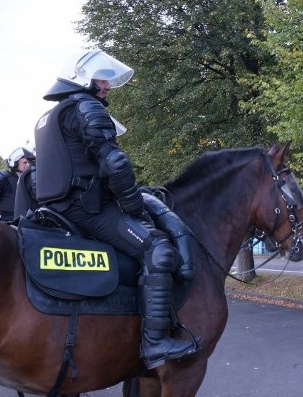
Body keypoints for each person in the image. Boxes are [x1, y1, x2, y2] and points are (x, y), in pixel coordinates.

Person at [35, 49, 200, 369]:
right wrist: (135, 208)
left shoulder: (51, 115)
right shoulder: (87, 106)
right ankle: (154, 344)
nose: (107, 86)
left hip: (56, 209)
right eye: (102, 78)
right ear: (83, 78)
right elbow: (115, 162)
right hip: (87, 209)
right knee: (158, 249)